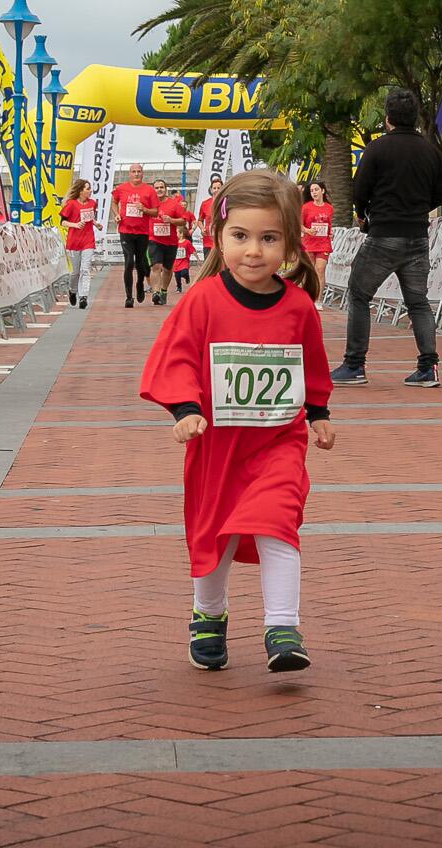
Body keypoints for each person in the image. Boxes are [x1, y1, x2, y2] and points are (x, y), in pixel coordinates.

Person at [139, 170, 335, 673]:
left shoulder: (297, 307)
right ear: (218, 237)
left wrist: (319, 413)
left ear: (290, 243)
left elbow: (312, 362)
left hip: (279, 443)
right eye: (241, 236)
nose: (254, 251)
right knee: (216, 533)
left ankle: (283, 626)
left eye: (269, 238)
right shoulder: (202, 300)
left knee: (279, 524)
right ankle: (208, 614)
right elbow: (176, 358)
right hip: (217, 447)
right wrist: (185, 410)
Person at [332, 88, 442, 389]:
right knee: (418, 302)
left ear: (387, 118)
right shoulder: (430, 151)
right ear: (415, 117)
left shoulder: (377, 149)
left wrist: (362, 214)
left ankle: (354, 365)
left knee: (359, 293)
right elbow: (441, 194)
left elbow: (360, 189)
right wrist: (417, 210)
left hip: (383, 235)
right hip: (418, 237)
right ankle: (428, 367)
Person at [112, 163, 159, 308]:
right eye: (134, 171)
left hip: (142, 232)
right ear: (129, 174)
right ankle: (128, 297)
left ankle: (140, 284)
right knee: (128, 262)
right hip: (126, 230)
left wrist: (144, 209)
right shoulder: (121, 188)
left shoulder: (149, 190)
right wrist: (117, 214)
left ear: (142, 174)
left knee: (140, 263)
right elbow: (113, 202)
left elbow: (155, 212)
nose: (136, 174)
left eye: (139, 171)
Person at [146, 177, 188, 305]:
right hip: (153, 239)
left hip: (170, 242)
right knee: (156, 266)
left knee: (167, 269)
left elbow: (184, 220)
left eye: (161, 187)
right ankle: (156, 292)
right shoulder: (148, 204)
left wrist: (171, 220)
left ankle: (163, 291)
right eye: (157, 188)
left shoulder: (174, 204)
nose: (159, 190)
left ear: (166, 189)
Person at [59, 178, 96, 308]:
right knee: (75, 272)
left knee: (85, 269)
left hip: (88, 240)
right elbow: (62, 222)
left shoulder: (92, 203)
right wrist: (75, 224)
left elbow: (90, 218)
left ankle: (83, 296)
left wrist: (96, 224)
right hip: (74, 242)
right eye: (87, 188)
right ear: (80, 191)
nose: (90, 190)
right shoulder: (71, 204)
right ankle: (72, 291)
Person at [300, 180, 334, 267]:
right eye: (312, 191)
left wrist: (331, 233)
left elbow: (328, 225)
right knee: (310, 271)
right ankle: (307, 281)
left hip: (324, 244)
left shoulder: (329, 208)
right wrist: (307, 230)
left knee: (320, 269)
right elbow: (299, 225)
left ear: (322, 191)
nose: (314, 192)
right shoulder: (306, 207)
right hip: (309, 243)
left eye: (316, 189)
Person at [172, 219, 194, 293]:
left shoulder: (187, 242)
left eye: (177, 233)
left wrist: (198, 259)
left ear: (181, 234)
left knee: (184, 272)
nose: (176, 234)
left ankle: (186, 277)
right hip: (176, 263)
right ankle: (179, 287)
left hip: (184, 262)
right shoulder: (174, 242)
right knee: (177, 276)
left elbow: (193, 250)